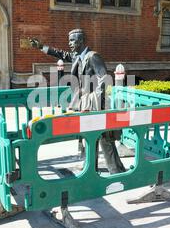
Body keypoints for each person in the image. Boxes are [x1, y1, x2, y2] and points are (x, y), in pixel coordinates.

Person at [30, 29, 126, 174]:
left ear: (81, 41)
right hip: (85, 102)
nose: (69, 44)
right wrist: (41, 47)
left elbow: (104, 79)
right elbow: (60, 54)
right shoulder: (77, 56)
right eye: (69, 40)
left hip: (95, 104)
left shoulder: (93, 57)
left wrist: (94, 101)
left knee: (104, 138)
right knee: (90, 136)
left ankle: (116, 171)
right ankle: (92, 168)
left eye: (72, 41)